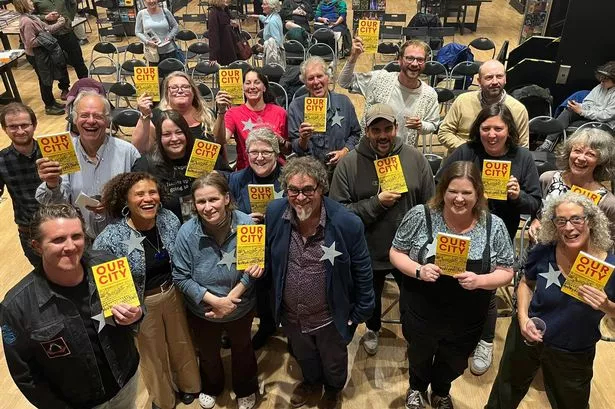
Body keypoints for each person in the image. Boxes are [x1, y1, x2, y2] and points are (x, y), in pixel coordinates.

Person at [390, 161, 514, 409]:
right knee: (419, 355)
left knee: (455, 360)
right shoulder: (420, 215)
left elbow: (507, 271)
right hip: (422, 310)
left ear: (478, 193)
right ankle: (416, 388)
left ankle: (440, 391)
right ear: (442, 191)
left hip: (467, 317)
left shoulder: (494, 226)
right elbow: (396, 252)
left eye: (467, 193)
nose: (459, 198)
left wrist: (480, 280)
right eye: (453, 191)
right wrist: (418, 269)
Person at [0, 204, 143, 409]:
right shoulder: (15, 307)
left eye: (76, 236)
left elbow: (137, 305)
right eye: (58, 239)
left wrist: (136, 315)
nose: (70, 246)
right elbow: (25, 375)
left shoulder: (107, 263)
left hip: (126, 381)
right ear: (37, 246)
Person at [436, 103, 541, 376]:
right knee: (454, 279)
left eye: (498, 128)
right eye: (486, 128)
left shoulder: (523, 158)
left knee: (487, 288)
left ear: (509, 130)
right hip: (459, 230)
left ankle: (485, 340)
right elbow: (440, 182)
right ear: (477, 129)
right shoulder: (466, 152)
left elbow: (534, 206)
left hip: (499, 233)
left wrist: (518, 196)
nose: (491, 134)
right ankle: (453, 332)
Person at [486, 192, 615, 409]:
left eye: (576, 219)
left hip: (573, 348)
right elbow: (526, 283)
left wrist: (606, 305)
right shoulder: (544, 250)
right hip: (528, 335)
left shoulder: (610, 264)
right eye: (561, 221)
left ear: (591, 221)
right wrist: (523, 318)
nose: (568, 227)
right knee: (504, 393)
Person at [265, 156, 374, 409]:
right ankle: (311, 382)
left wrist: (361, 311)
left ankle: (333, 390)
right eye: (293, 190)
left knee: (334, 360)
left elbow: (362, 270)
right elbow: (269, 258)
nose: (300, 197)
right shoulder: (274, 212)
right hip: (292, 315)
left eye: (307, 190)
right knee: (304, 356)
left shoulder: (347, 223)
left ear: (321, 188)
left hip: (329, 317)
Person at [330, 103, 435, 355]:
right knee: (371, 300)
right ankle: (372, 328)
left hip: (409, 252)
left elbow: (431, 204)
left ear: (396, 128)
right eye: (376, 129)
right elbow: (338, 213)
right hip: (368, 249)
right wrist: (375, 203)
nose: (383, 135)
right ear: (366, 131)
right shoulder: (349, 163)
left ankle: (414, 334)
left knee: (413, 300)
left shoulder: (415, 158)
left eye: (388, 128)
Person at [93, 172, 201, 409]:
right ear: (125, 200)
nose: (148, 198)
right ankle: (163, 400)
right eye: (139, 194)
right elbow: (105, 284)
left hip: (174, 293)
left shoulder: (169, 219)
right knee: (152, 356)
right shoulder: (109, 239)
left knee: (182, 343)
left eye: (152, 192)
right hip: (141, 303)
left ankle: (191, 386)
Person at [172, 172, 263, 409]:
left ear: (226, 198)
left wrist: (229, 301)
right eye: (201, 201)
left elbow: (251, 271)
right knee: (209, 351)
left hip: (240, 304)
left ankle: (246, 387)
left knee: (243, 348)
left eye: (213, 199)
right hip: (203, 308)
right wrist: (214, 301)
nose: (208, 207)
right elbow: (180, 276)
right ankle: (212, 386)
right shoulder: (186, 232)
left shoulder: (247, 224)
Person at [35, 91, 141, 238]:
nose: (91, 121)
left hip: (123, 238)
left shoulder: (128, 152)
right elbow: (54, 205)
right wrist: (52, 185)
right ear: (74, 119)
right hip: (81, 240)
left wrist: (116, 204)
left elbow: (141, 196)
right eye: (84, 115)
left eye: (98, 116)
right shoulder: (64, 150)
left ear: (108, 121)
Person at [228, 127, 283, 349]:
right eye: (253, 152)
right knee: (254, 290)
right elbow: (225, 213)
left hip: (280, 242)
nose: (259, 157)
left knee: (278, 289)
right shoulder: (236, 179)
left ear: (276, 153)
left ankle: (284, 327)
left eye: (266, 152)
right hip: (247, 244)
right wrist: (242, 218)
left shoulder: (289, 176)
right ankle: (256, 326)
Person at [132, 109, 230, 222]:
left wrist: (217, 175)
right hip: (165, 226)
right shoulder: (146, 164)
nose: (174, 139)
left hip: (207, 222)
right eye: (167, 134)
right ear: (159, 137)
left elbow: (230, 177)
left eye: (179, 132)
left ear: (186, 133)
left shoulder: (202, 152)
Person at [338, 39, 439, 146]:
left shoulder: (429, 94)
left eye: (420, 59)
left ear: (425, 62)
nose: (414, 64)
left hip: (402, 154)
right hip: (370, 150)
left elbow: (433, 124)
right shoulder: (379, 79)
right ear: (399, 60)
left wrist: (421, 126)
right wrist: (353, 57)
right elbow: (344, 82)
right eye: (409, 58)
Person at [529, 128, 615, 242]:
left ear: (601, 161)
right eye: (577, 151)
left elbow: (608, 243)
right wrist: (535, 221)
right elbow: (538, 213)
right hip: (540, 253)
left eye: (591, 154)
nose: (581, 158)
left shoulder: (607, 202)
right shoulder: (547, 179)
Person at [437, 60, 530, 155]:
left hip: (499, 163)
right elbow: (444, 132)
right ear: (479, 81)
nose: (495, 82)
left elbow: (522, 146)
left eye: (499, 76)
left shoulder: (518, 109)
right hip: (461, 158)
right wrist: (469, 150)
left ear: (505, 79)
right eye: (489, 77)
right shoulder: (462, 101)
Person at [288, 56, 360, 178]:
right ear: (305, 83)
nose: (316, 82)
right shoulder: (296, 107)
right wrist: (303, 140)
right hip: (309, 174)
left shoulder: (344, 102)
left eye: (320, 76)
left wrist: (345, 151)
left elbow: (356, 134)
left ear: (328, 78)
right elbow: (294, 147)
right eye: (310, 78)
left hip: (341, 171)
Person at [133, 71, 224, 155]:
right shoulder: (155, 116)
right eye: (174, 87)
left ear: (193, 91)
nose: (180, 91)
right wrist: (144, 115)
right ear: (166, 93)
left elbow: (220, 146)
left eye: (185, 87)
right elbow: (139, 149)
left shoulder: (208, 114)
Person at [215, 68, 290, 170]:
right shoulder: (233, 113)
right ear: (242, 87)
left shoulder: (280, 112)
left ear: (264, 87)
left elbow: (288, 150)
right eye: (248, 83)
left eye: (257, 82)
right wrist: (221, 111)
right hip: (246, 171)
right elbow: (220, 140)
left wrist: (280, 141)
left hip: (277, 171)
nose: (252, 87)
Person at [537, 61, 615, 152]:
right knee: (568, 111)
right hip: (590, 116)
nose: (602, 81)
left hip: (604, 125)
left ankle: (565, 151)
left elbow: (606, 115)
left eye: (606, 79)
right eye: (602, 78)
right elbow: (588, 102)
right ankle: (548, 142)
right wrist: (578, 106)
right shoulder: (599, 87)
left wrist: (582, 111)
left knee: (576, 126)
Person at [0, 103, 43, 266]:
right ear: (5, 129)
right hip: (29, 231)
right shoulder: (1, 160)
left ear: (34, 125)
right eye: (13, 126)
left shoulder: (53, 150)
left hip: (63, 224)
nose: (19, 131)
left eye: (24, 125)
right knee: (42, 276)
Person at [15, 0, 67, 115]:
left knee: (47, 78)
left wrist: (59, 23)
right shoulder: (27, 21)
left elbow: (47, 29)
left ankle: (52, 102)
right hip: (36, 56)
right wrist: (45, 36)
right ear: (23, 4)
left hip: (43, 54)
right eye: (29, 1)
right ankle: (49, 106)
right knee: (44, 80)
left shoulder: (33, 18)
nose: (32, 2)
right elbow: (31, 42)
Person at [33, 0, 88, 83]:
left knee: (78, 60)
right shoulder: (35, 1)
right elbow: (32, 16)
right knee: (59, 63)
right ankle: (64, 88)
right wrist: (45, 17)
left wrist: (70, 17)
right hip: (51, 36)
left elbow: (73, 3)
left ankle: (86, 83)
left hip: (67, 31)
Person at [135, 0, 181, 65]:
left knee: (171, 74)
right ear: (144, 1)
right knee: (157, 75)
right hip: (152, 53)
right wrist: (147, 41)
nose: (151, 1)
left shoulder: (165, 12)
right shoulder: (141, 14)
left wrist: (170, 36)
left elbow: (175, 26)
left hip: (169, 51)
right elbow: (138, 32)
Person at [248, 0, 284, 65]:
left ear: (271, 7)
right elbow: (266, 20)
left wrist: (263, 47)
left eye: (264, 4)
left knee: (271, 73)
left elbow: (276, 42)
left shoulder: (272, 22)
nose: (262, 6)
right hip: (272, 51)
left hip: (274, 55)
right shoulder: (275, 16)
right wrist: (259, 17)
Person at [208, 0, 238, 66]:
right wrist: (213, 56)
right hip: (223, 50)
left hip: (231, 46)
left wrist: (234, 25)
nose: (226, 0)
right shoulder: (214, 13)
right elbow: (213, 35)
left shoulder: (226, 10)